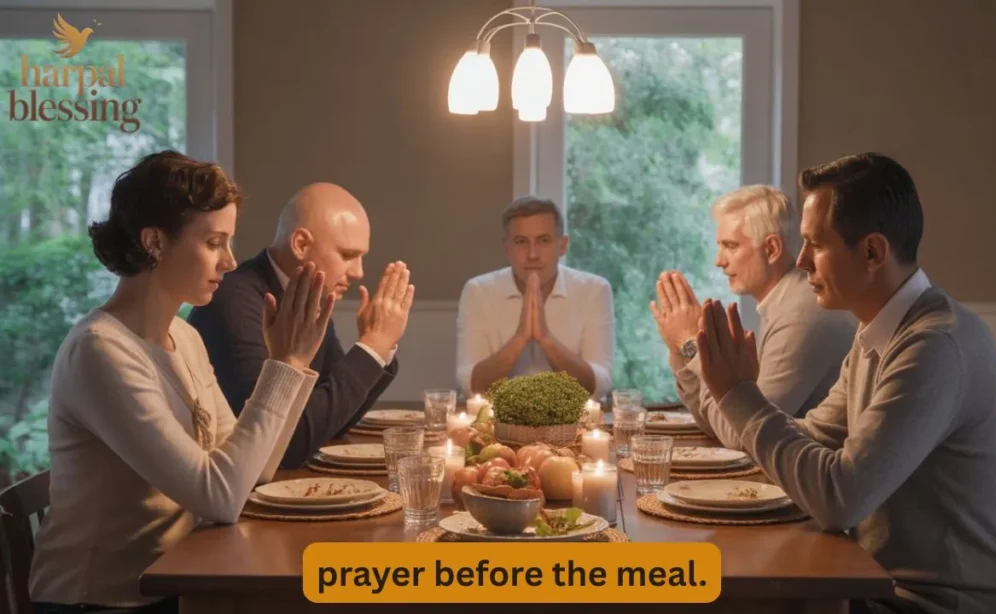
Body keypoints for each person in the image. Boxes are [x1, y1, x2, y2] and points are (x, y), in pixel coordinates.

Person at [695, 153, 996, 613]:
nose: (802, 260)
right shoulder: (877, 333)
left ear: (872, 251)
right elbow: (814, 436)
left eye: (815, 244)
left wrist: (740, 396)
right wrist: (739, 402)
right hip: (869, 586)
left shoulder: (934, 346)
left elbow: (839, 498)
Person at [30, 151, 333, 613]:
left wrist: (290, 363)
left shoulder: (184, 337)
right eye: (214, 242)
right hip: (103, 601)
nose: (230, 261)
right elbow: (219, 497)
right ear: (154, 242)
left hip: (175, 581)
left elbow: (255, 472)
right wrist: (284, 365)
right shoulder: (100, 351)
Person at [188, 183, 413, 469]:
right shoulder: (232, 301)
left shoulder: (305, 296)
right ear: (301, 245)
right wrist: (371, 347)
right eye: (347, 255)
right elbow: (287, 443)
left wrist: (381, 348)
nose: (359, 272)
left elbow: (334, 420)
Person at [651, 185, 855, 448]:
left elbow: (742, 436)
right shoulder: (784, 303)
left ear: (771, 249)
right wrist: (683, 349)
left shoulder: (802, 313)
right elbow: (716, 424)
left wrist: (692, 346)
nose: (719, 261)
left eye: (731, 246)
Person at [455, 196, 614, 399]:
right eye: (521, 242)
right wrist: (520, 338)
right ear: (507, 248)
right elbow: (470, 385)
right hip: (497, 424)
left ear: (563, 245)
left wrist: (546, 339)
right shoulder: (478, 290)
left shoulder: (595, 290)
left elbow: (599, 385)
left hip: (574, 423)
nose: (532, 254)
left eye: (544, 241)